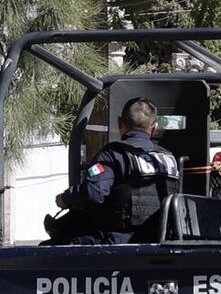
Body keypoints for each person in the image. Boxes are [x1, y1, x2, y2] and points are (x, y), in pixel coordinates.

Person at [53, 97, 178, 244]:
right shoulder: (169, 158)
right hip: (162, 241)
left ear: (120, 122)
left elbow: (94, 193)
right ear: (154, 128)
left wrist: (66, 198)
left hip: (119, 244)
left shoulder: (113, 154)